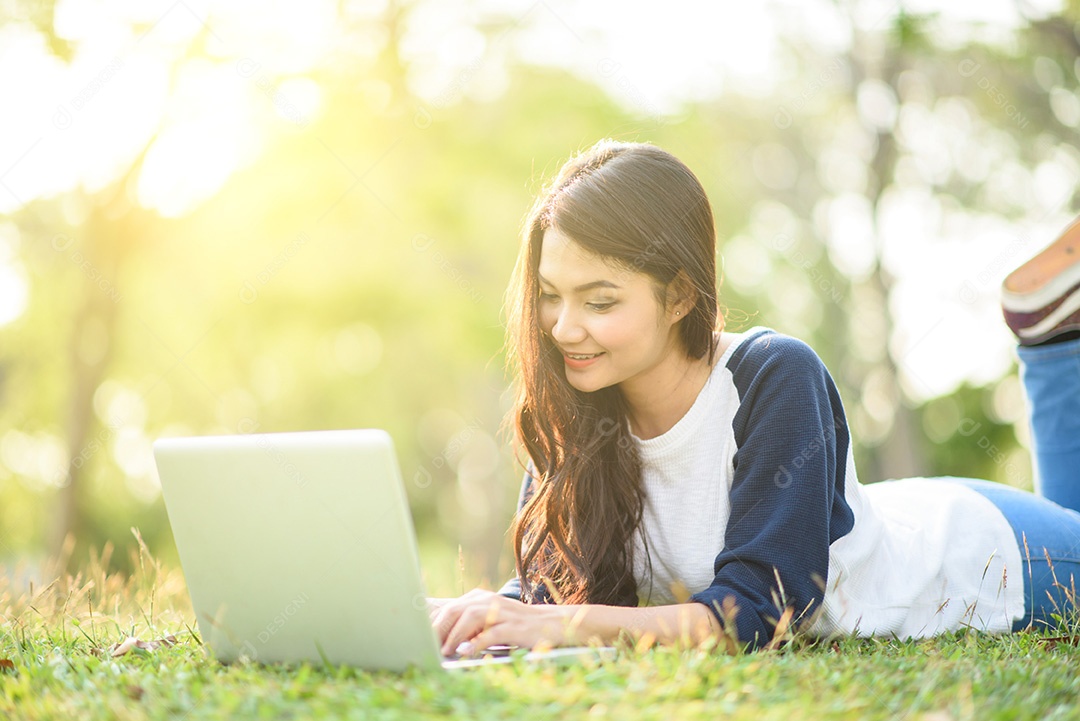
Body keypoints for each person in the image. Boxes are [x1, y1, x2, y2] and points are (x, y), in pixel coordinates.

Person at [429, 140, 1080, 656]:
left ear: (681, 295)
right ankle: (1057, 334)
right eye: (550, 295)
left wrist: (562, 623)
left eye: (600, 301)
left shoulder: (773, 376)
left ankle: (1051, 348)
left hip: (980, 550)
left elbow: (756, 615)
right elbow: (549, 594)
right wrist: (482, 612)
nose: (564, 327)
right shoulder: (576, 400)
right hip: (881, 513)